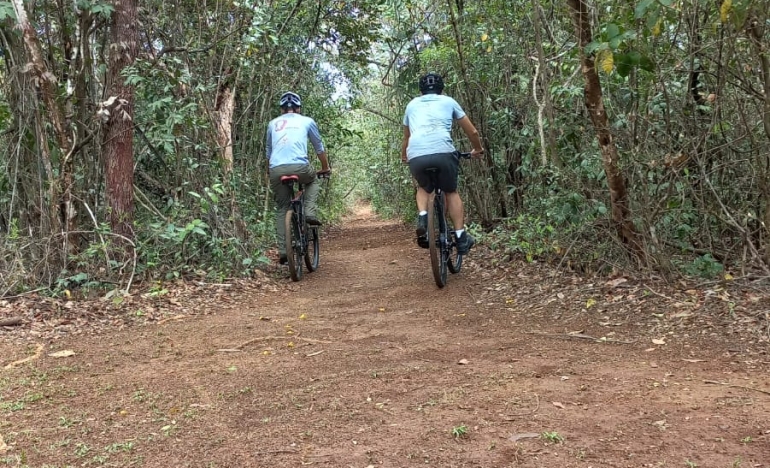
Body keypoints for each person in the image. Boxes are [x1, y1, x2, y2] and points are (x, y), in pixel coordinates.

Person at [401, 73, 484, 254]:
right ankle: (461, 238)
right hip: (443, 152)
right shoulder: (449, 101)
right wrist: (477, 149)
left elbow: (406, 138)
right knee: (451, 191)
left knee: (423, 187)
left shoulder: (411, 105)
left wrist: (404, 157)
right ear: (441, 88)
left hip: (416, 154)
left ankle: (423, 218)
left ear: (421, 90)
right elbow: (473, 132)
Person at [266, 91, 330, 265]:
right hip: (300, 168)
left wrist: (270, 172)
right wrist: (325, 167)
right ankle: (309, 211)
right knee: (313, 180)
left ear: (282, 110)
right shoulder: (307, 121)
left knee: (282, 207)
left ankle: (283, 251)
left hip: (276, 169)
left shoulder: (272, 123)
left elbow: (269, 152)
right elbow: (319, 148)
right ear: (298, 108)